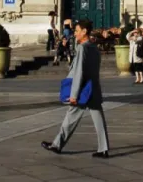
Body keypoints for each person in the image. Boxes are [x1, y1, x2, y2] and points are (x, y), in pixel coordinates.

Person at [42, 19, 110, 158]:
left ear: (84, 32)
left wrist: (74, 94)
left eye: (77, 31)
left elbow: (79, 71)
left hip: (82, 90)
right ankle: (103, 148)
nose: (75, 33)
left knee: (71, 116)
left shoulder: (82, 48)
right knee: (98, 118)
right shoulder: (94, 48)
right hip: (92, 87)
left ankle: (57, 145)